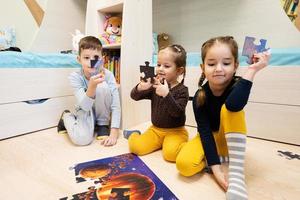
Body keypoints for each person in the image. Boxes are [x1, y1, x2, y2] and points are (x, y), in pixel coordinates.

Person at [176, 36, 271, 200]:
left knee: (230, 108)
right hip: (209, 138)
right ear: (202, 67)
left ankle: (236, 172)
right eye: (211, 64)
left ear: (235, 66)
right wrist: (216, 169)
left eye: (226, 63)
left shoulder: (239, 85)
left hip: (228, 139)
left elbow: (234, 105)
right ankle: (216, 157)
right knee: (183, 165)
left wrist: (253, 70)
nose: (218, 68)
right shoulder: (200, 95)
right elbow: (204, 132)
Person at [124, 44, 189, 162]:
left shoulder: (182, 90)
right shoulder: (155, 85)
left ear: (179, 70)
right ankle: (134, 134)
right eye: (158, 65)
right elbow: (134, 96)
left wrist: (166, 94)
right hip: (156, 129)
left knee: (170, 155)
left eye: (166, 66)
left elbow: (177, 113)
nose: (160, 69)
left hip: (176, 131)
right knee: (136, 148)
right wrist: (140, 87)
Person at [57, 36, 121, 146]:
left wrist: (114, 133)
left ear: (102, 59)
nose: (91, 61)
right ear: (79, 59)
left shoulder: (108, 75)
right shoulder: (75, 77)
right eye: (86, 57)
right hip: (84, 110)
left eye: (95, 57)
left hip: (102, 113)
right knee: (82, 140)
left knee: (102, 86)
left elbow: (116, 104)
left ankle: (102, 124)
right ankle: (66, 117)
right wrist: (91, 87)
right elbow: (85, 106)